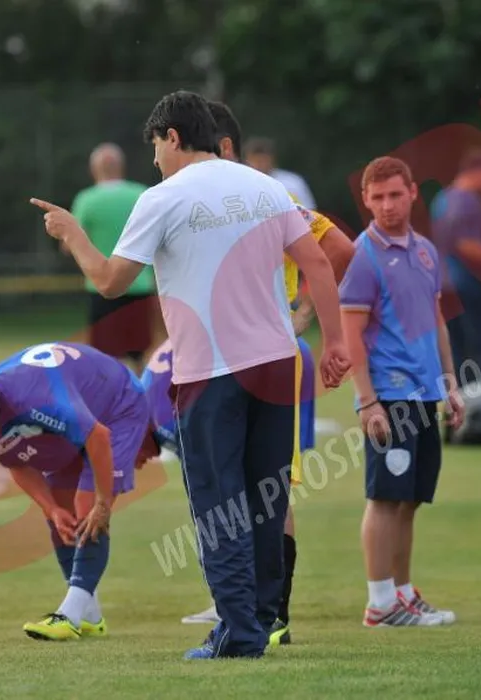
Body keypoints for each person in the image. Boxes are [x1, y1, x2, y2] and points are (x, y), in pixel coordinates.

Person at [30, 90, 350, 659]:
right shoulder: (264, 186)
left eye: (156, 146)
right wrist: (336, 343)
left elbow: (109, 281)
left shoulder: (163, 198)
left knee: (218, 503)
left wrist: (72, 234)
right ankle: (263, 619)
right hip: (278, 365)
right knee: (267, 498)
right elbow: (320, 263)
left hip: (212, 372)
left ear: (173, 137)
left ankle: (238, 633)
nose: (154, 159)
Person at [176, 100, 355, 642]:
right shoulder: (240, 201)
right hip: (251, 354)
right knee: (254, 484)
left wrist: (303, 314)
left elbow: (339, 251)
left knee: (266, 488)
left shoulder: (266, 199)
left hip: (265, 356)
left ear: (223, 147)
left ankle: (268, 611)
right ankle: (249, 604)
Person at [0, 342, 159, 641]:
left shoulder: (36, 396)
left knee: (87, 510)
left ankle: (69, 616)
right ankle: (91, 617)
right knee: (62, 517)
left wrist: (103, 502)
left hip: (117, 404)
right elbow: (17, 464)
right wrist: (50, 509)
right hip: (76, 415)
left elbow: (97, 436)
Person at [340, 155, 465, 627]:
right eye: (378, 197)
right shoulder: (362, 256)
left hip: (423, 394)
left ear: (413, 193)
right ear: (366, 200)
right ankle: (380, 604)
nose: (388, 205)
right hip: (389, 395)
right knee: (385, 498)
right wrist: (367, 400)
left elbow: (436, 322)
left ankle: (403, 593)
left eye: (396, 194)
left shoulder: (426, 250)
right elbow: (351, 335)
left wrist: (449, 382)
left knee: (409, 499)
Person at [71, 143, 158, 374]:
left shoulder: (86, 200)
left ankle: (111, 394)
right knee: (139, 352)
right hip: (139, 284)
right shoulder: (140, 194)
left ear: (94, 169)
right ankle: (141, 391)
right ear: (121, 167)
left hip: (101, 286)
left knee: (104, 355)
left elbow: (71, 243)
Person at [431, 149, 481, 388]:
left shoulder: (442, 198)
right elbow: (467, 245)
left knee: (457, 347)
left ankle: (464, 398)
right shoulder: (467, 201)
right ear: (477, 171)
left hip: (443, 284)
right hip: (468, 283)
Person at [243, 136, 318, 210]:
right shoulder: (242, 183)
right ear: (247, 161)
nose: (259, 164)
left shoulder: (292, 182)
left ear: (272, 159)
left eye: (263, 160)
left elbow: (310, 211)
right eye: (255, 161)